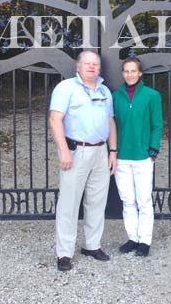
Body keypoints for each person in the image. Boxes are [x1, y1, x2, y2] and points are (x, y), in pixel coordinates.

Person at [49, 50, 118, 272]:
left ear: (99, 68)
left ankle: (92, 245)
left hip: (100, 152)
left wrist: (112, 151)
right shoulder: (66, 88)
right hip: (76, 151)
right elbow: (55, 119)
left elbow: (111, 122)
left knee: (97, 202)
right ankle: (64, 253)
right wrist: (64, 151)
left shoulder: (105, 90)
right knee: (69, 204)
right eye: (87, 63)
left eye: (95, 64)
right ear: (78, 67)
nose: (91, 67)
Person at [112, 57, 163, 257]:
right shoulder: (116, 97)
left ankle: (145, 241)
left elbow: (157, 124)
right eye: (126, 71)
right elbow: (112, 125)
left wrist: (153, 149)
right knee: (128, 200)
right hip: (123, 157)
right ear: (123, 73)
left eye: (133, 71)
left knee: (143, 200)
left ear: (140, 73)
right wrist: (112, 151)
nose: (130, 74)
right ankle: (132, 237)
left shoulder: (152, 96)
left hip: (143, 157)